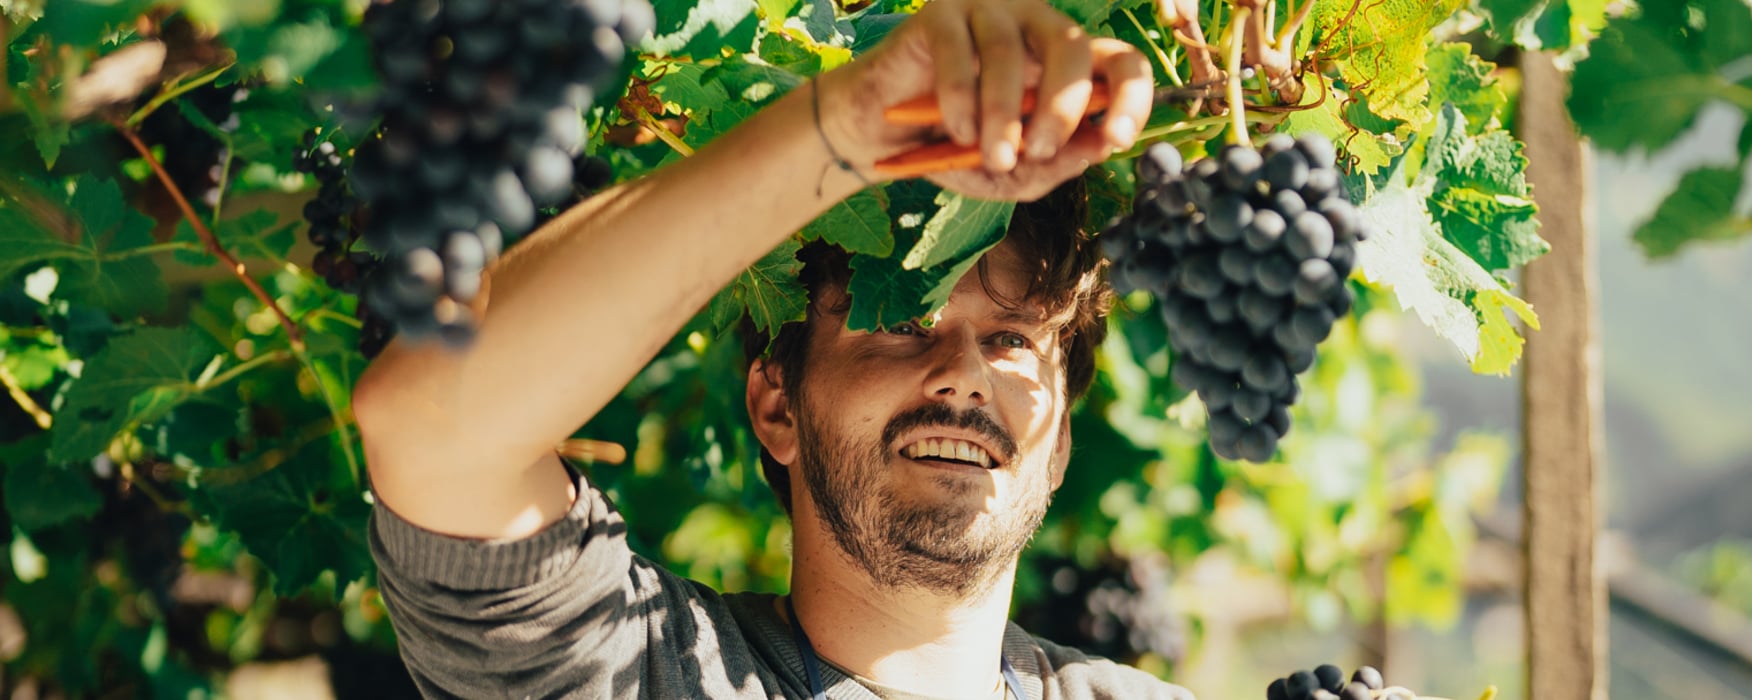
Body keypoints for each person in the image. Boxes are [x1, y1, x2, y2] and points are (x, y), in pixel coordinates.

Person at [349, 0, 1195, 696]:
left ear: (1062, 449)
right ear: (776, 402)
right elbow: (429, 427)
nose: (965, 375)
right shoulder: (638, 669)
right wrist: (849, 123)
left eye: (1013, 338)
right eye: (902, 322)